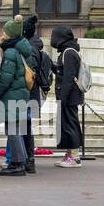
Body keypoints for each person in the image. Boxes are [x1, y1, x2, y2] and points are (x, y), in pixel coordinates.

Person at [0, 18, 33, 177]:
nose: (2, 34)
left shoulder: (11, 51)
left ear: (10, 34)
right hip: (21, 94)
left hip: (12, 95)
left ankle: (17, 163)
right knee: (16, 129)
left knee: (13, 130)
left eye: (4, 31)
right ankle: (20, 161)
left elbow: (6, 77)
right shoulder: (22, 49)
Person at [21, 14, 53, 173]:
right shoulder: (34, 45)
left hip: (28, 93)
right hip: (31, 93)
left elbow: (29, 72)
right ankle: (28, 160)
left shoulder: (30, 47)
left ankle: (28, 160)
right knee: (26, 127)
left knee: (24, 127)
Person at [51, 25, 85, 168]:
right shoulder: (66, 52)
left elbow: (69, 77)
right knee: (66, 125)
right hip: (66, 96)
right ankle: (69, 154)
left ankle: (75, 157)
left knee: (71, 125)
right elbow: (62, 72)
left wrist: (63, 97)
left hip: (69, 97)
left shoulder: (69, 53)